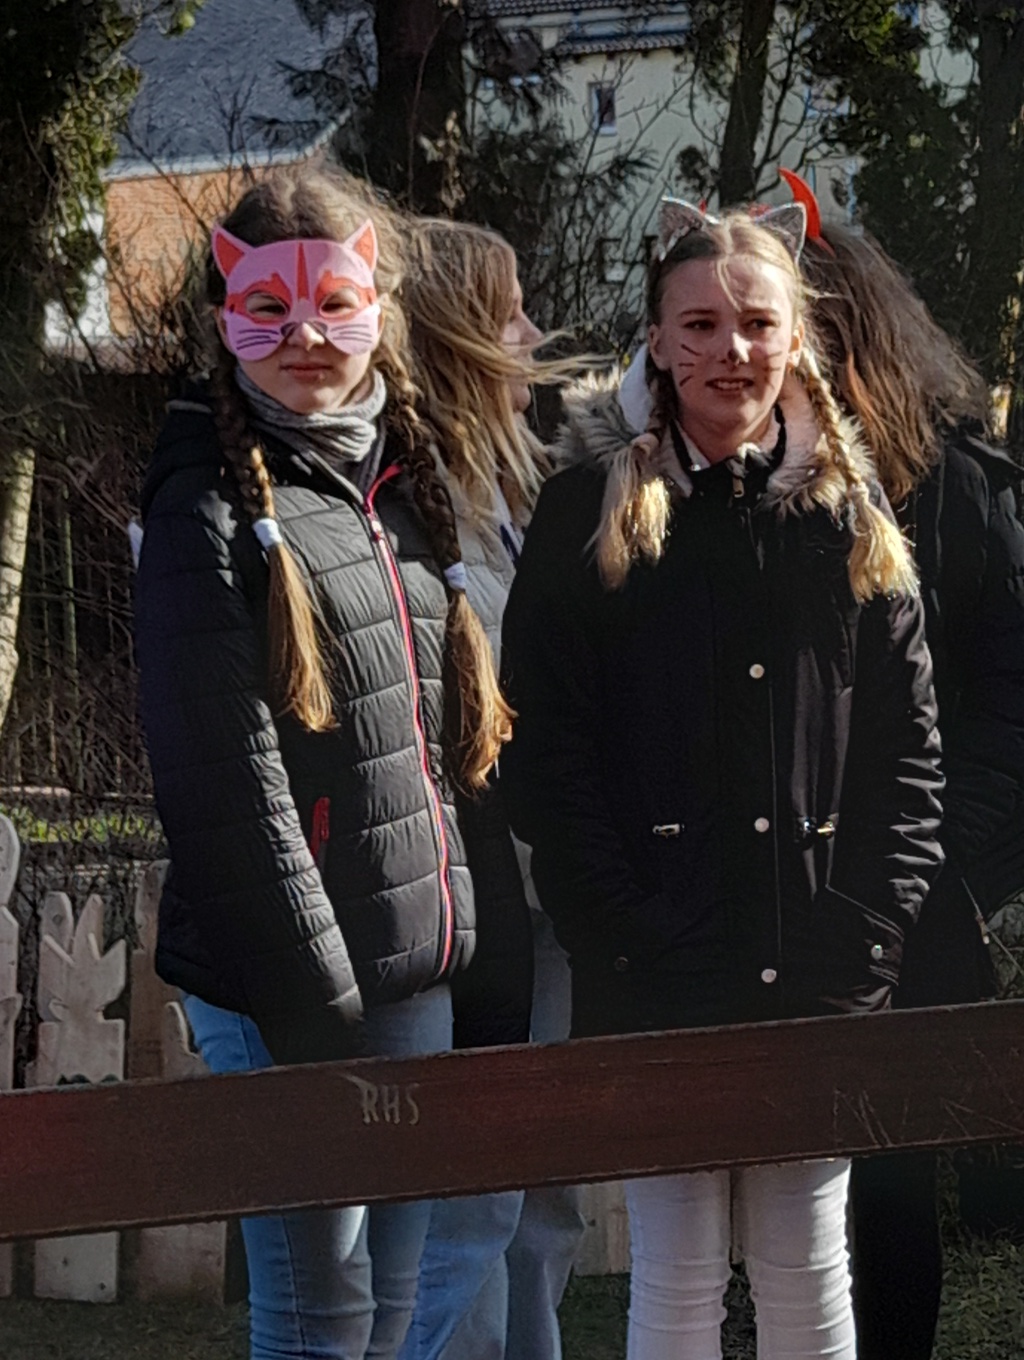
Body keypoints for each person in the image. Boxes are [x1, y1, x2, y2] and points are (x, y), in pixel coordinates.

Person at [499, 198, 946, 1360]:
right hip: (655, 980)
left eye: (755, 324)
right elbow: (546, 760)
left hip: (821, 978)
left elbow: (907, 767)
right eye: (698, 325)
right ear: (655, 340)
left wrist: (860, 945)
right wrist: (627, 937)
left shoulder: (849, 517)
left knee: (808, 1270)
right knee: (677, 1275)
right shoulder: (583, 513)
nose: (729, 351)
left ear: (796, 338)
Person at [133, 163, 528, 1360]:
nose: (306, 334)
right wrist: (315, 1012)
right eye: (270, 307)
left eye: (335, 304)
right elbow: (222, 779)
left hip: (407, 975)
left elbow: (439, 747)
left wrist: (469, 957)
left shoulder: (399, 490)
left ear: (379, 310)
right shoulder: (203, 507)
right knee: (322, 1322)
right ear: (225, 317)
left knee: (388, 1314)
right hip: (290, 993)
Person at [800, 212, 1024, 1360]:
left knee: (889, 1182)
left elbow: (1010, 697)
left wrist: (936, 859)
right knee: (785, 1190)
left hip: (916, 896)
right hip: (780, 895)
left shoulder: (961, 488)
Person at [398, 218, 586, 1360]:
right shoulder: (413, 505)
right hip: (469, 907)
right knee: (468, 1210)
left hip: (550, 894)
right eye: (509, 312)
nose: (531, 331)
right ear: (459, 334)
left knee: (543, 1196)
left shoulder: (523, 484)